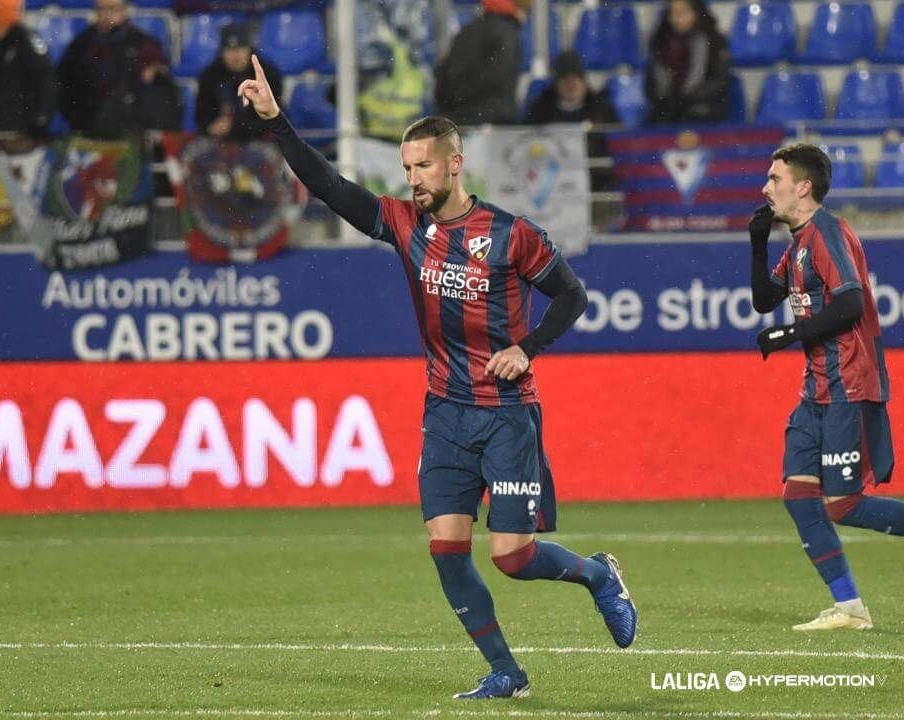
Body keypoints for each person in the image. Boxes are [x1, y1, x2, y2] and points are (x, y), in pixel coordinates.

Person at [239, 54, 638, 699]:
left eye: (423, 166)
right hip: (445, 414)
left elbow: (572, 296)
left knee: (511, 556)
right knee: (447, 550)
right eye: (406, 168)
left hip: (506, 413)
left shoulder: (511, 235)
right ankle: (506, 671)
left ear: (455, 163)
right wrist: (277, 122)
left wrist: (528, 348)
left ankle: (597, 576)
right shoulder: (405, 225)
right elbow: (330, 186)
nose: (414, 179)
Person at [750, 144, 904, 631]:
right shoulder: (797, 242)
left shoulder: (827, 233)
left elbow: (850, 304)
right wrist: (758, 243)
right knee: (799, 496)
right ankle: (849, 608)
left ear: (803, 187)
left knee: (844, 504)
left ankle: (850, 606)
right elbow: (764, 301)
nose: (765, 187)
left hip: (848, 381)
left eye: (774, 177)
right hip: (815, 389)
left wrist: (790, 333)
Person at [58, 0, 180, 138]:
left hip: (132, 125)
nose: (106, 15)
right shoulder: (80, 45)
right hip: (88, 126)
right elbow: (64, 85)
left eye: (112, 9)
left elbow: (157, 75)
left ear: (124, 10)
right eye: (101, 9)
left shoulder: (143, 43)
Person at [524, 50, 620, 192]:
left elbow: (616, 147)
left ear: (584, 81)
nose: (572, 85)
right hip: (550, 187)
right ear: (556, 83)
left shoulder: (602, 111)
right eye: (566, 80)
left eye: (576, 79)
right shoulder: (540, 112)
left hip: (596, 186)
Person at [434, 0, 530, 126]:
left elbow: (444, 75)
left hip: (457, 119)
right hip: (493, 122)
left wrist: (451, 106)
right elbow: (498, 77)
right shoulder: (507, 32)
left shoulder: (468, 30)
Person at [0, 0, 57, 140]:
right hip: (4, 132)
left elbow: (46, 83)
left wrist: (39, 122)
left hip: (24, 135)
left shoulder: (26, 44)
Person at [644, 0, 730, 124]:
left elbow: (719, 83)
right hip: (666, 110)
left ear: (696, 13)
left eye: (683, 13)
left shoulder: (714, 40)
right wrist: (664, 99)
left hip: (703, 110)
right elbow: (650, 84)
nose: (676, 19)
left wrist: (686, 98)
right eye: (672, 13)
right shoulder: (660, 40)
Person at [195, 23, 282, 143]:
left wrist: (236, 128)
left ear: (249, 49)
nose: (235, 56)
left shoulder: (267, 74)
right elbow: (201, 116)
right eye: (230, 50)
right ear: (222, 52)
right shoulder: (210, 75)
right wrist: (211, 127)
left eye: (241, 49)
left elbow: (275, 117)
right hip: (218, 141)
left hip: (259, 139)